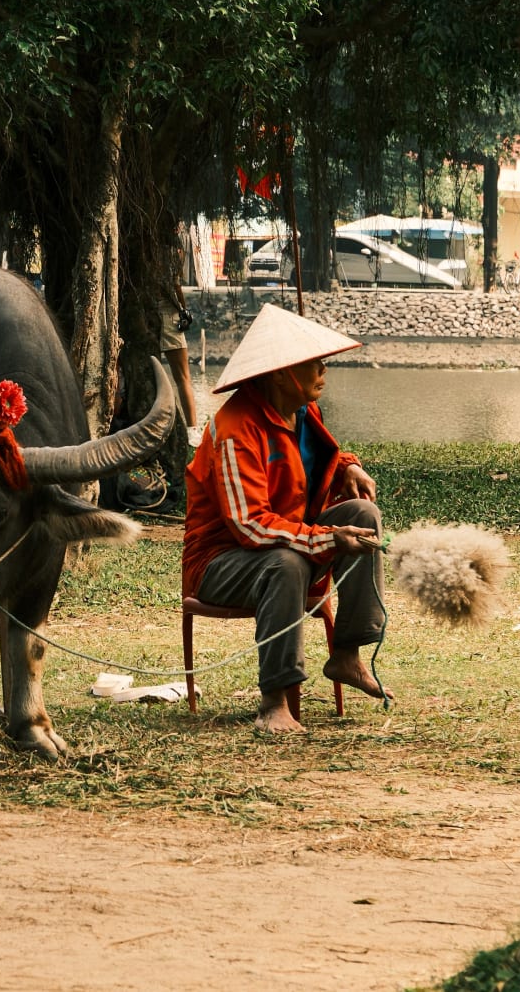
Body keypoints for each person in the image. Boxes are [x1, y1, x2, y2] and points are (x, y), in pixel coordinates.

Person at [182, 303, 392, 733]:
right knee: (287, 561)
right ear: (280, 372)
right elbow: (249, 526)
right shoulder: (236, 428)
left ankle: (346, 654)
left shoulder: (302, 409)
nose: (323, 370)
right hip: (219, 563)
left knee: (364, 515)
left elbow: (308, 459)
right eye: (312, 363)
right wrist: (329, 540)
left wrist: (346, 465)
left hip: (284, 540)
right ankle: (274, 701)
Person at [157, 237, 202, 448]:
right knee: (183, 377)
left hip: (149, 313)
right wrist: (183, 309)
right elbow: (174, 285)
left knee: (155, 375)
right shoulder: (171, 253)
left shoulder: (145, 249)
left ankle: (166, 426)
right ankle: (192, 429)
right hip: (168, 313)